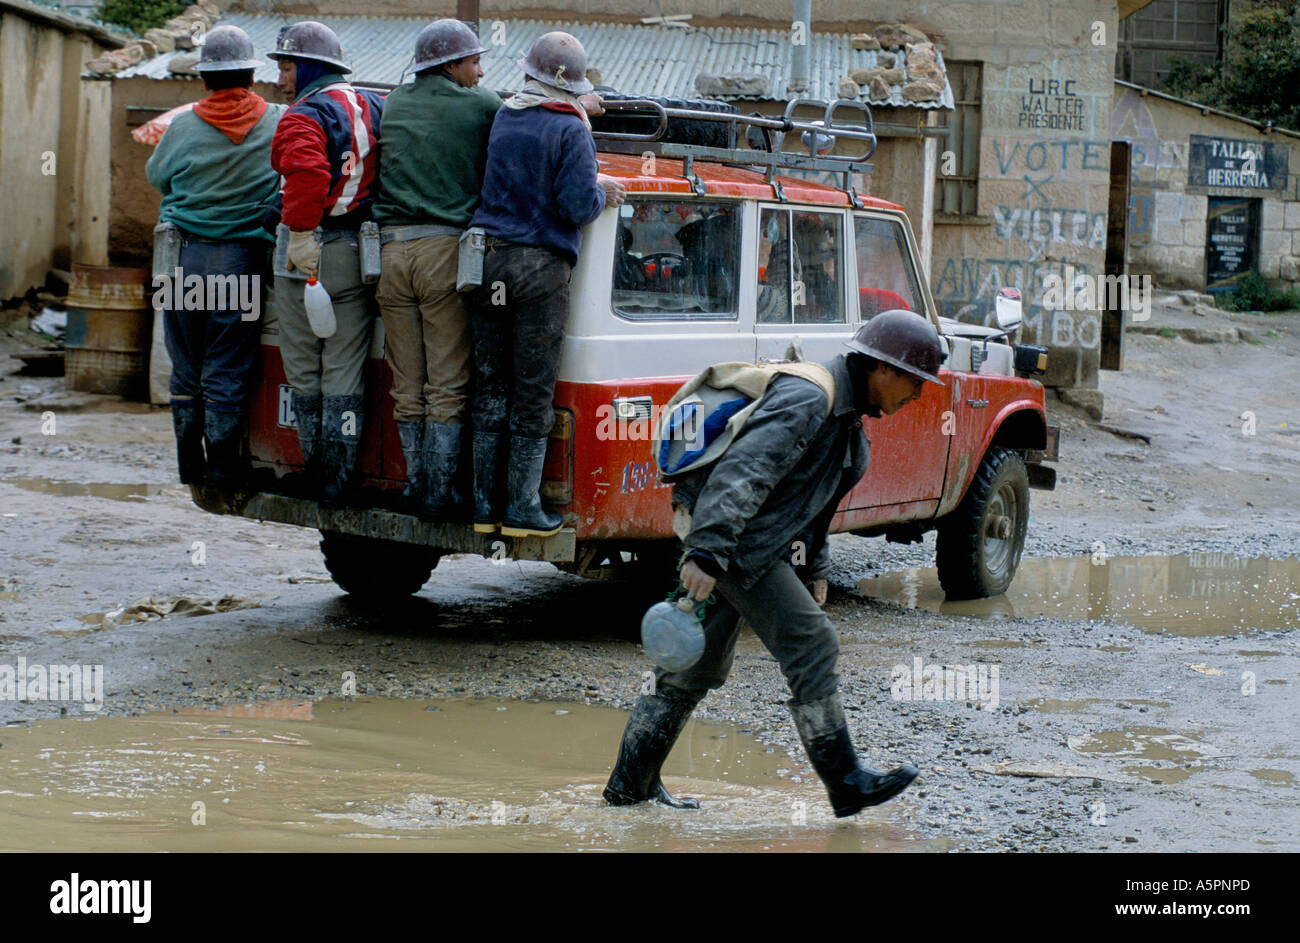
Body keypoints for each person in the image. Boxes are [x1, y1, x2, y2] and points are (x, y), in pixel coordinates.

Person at [604, 309, 946, 817]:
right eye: (914, 383)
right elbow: (743, 472)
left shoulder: (845, 418)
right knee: (813, 644)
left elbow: (814, 503)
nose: (916, 396)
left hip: (744, 542)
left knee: (690, 668)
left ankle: (627, 789)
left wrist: (815, 569)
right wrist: (707, 553)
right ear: (883, 369)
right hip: (737, 545)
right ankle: (845, 782)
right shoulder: (810, 398)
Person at [464, 31, 626, 537]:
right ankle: (521, 509)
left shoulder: (503, 117)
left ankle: (481, 506)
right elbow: (577, 206)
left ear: (529, 73)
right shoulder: (571, 130)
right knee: (531, 391)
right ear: (573, 84)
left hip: (487, 262)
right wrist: (605, 194)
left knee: (490, 386)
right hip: (538, 269)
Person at [146, 25, 285, 502]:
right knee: (226, 368)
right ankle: (224, 470)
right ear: (250, 74)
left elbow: (157, 176)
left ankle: (191, 467)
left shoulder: (183, 125)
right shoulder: (277, 120)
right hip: (241, 263)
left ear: (205, 78)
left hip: (181, 259)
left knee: (185, 366)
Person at [372, 19, 501, 520]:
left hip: (389, 254)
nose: (480, 70)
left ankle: (412, 484)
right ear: (450, 64)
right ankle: (439, 493)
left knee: (407, 379)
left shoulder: (395, 102)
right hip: (444, 254)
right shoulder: (482, 105)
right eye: (473, 62)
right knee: (446, 379)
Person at [268, 21, 384, 507]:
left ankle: (317, 474)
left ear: (311, 66)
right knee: (344, 368)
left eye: (288, 67)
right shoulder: (374, 105)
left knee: (303, 367)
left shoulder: (302, 116)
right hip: (356, 250)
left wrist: (297, 232)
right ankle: (340, 481)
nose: (280, 80)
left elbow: (309, 172)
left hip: (308, 249)